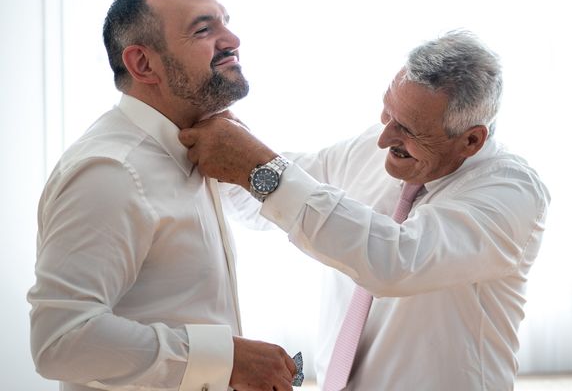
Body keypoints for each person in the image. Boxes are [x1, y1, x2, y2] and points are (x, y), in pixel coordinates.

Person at [178, 30, 551, 390]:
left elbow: (395, 262)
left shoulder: (512, 193)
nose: (384, 137)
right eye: (387, 113)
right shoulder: (371, 148)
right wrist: (206, 130)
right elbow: (263, 198)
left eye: (408, 130)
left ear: (471, 140)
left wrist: (259, 168)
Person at [27, 0, 298, 391]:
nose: (232, 39)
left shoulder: (200, 148)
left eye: (226, 21)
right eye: (204, 29)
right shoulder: (111, 171)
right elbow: (60, 341)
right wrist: (225, 359)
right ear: (143, 63)